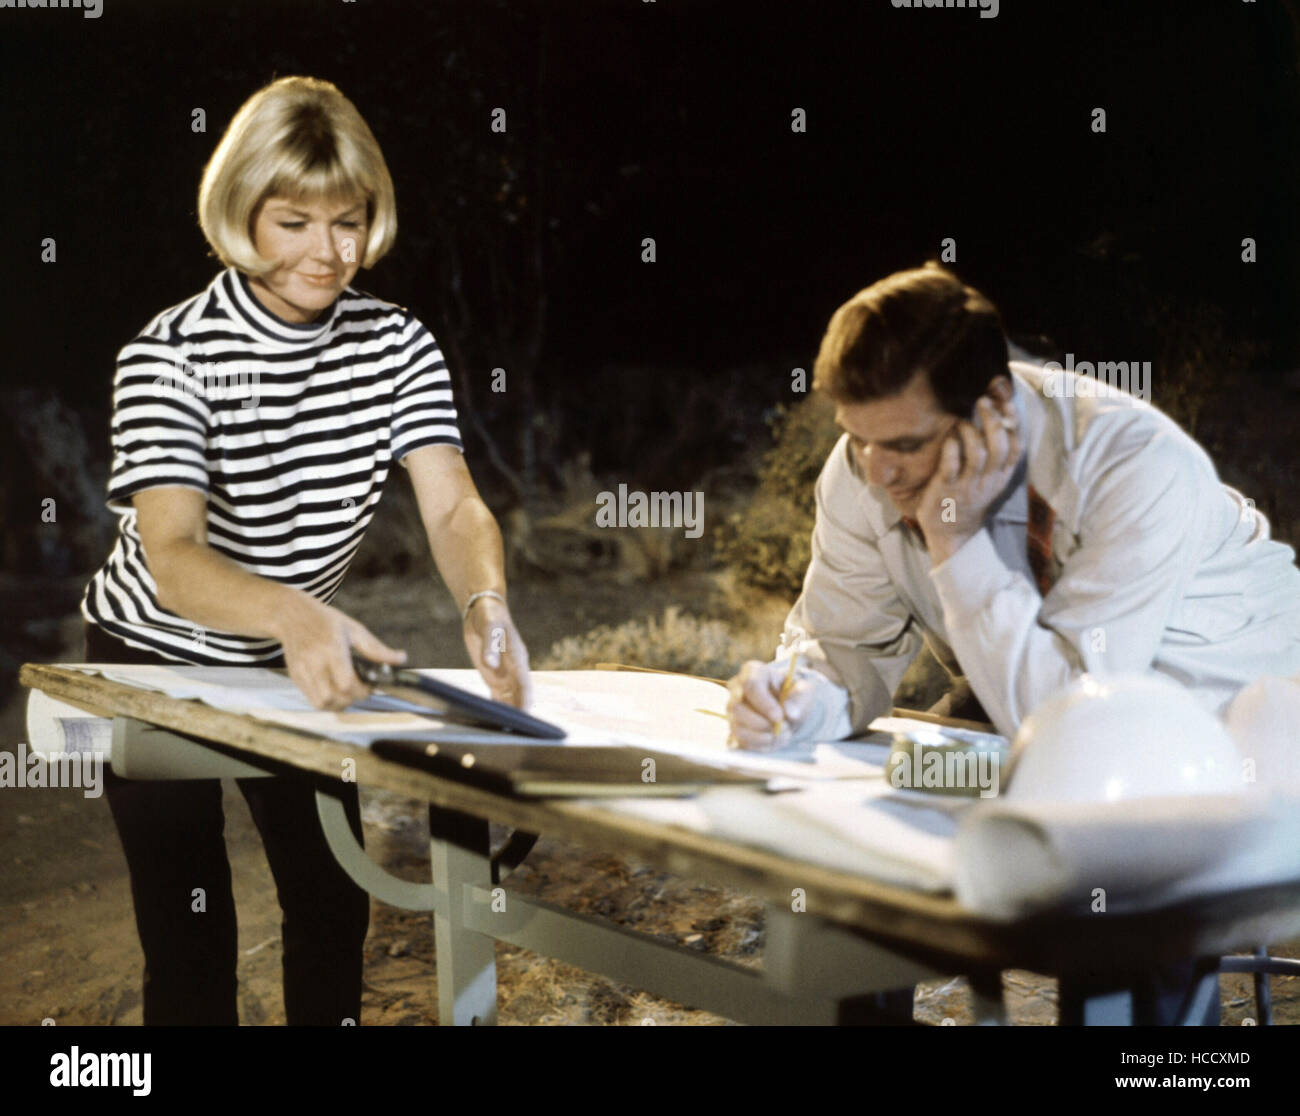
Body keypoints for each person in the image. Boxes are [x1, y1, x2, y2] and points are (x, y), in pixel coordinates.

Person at [726, 261, 1300, 1023]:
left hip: (1227, 732)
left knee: (1123, 905)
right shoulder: (866, 462)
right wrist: (794, 700)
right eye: (855, 437)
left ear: (995, 401)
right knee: (881, 812)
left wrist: (955, 544)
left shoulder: (1136, 463)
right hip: (1027, 696)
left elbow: (1076, 736)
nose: (878, 470)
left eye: (903, 441)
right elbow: (844, 649)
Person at [80, 76, 532, 1025]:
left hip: (301, 659)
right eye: (294, 223)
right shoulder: (168, 356)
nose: (329, 255)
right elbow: (172, 552)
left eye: (350, 222)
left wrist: (485, 605)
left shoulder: (397, 344)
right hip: (156, 661)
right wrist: (296, 613)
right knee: (190, 935)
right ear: (239, 215)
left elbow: (453, 507)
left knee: (332, 905)